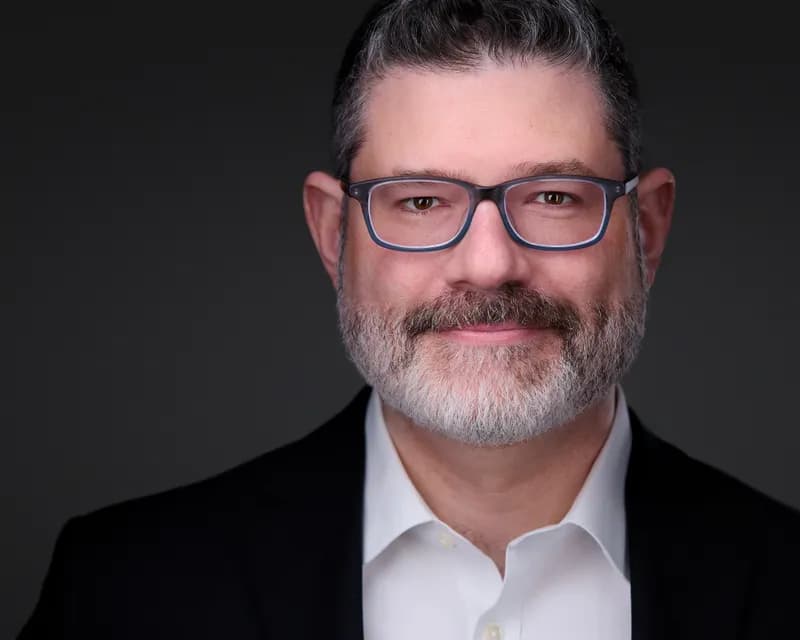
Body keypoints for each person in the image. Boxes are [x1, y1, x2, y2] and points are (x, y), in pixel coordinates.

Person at [18, 0, 800, 638]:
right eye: (422, 202)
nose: (489, 263)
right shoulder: (123, 595)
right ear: (334, 235)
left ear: (647, 230)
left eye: (555, 197)